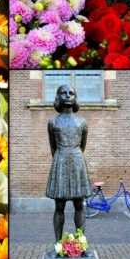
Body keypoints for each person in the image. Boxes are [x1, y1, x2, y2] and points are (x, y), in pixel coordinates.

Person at [46, 84, 92, 243]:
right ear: (58, 97)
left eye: (71, 93)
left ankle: (80, 242)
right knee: (59, 206)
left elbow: (82, 145)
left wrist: (73, 155)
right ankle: (58, 242)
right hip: (60, 161)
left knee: (80, 204)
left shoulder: (82, 122)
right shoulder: (53, 122)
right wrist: (62, 158)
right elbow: (53, 146)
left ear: (75, 97)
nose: (67, 95)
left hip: (77, 162)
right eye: (63, 93)